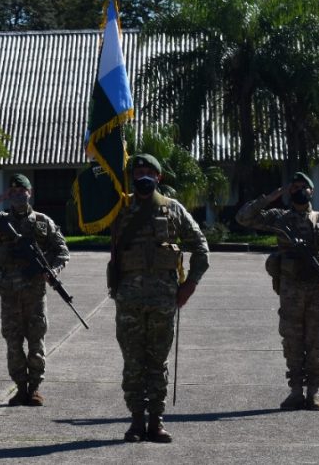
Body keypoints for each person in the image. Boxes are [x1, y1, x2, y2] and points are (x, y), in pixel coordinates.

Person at [110, 154, 209, 443]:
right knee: (132, 361)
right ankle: (136, 421)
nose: (142, 176)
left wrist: (190, 284)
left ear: (158, 177)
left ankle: (156, 421)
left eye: (148, 172)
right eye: (137, 171)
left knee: (157, 361)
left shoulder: (173, 209)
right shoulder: (119, 208)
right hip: (128, 299)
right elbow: (85, 215)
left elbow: (201, 247)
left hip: (164, 299)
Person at [235, 172, 319, 411]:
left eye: (303, 187)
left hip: (317, 291)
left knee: (316, 340)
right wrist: (271, 197)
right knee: (292, 341)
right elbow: (244, 218)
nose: (298, 190)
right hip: (291, 291)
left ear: (311, 191)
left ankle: (314, 392)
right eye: (294, 187)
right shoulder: (280, 218)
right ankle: (296, 391)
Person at [0, 173, 70, 407]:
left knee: (36, 340)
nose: (19, 195)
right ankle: (21, 388)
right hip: (9, 293)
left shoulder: (43, 222)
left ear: (30, 193)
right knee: (13, 341)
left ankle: (35, 388)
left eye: (23, 191)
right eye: (14, 192)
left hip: (35, 293)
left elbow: (62, 250)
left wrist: (52, 270)